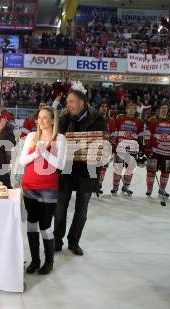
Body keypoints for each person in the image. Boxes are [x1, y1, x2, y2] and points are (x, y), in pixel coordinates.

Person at [54, 83, 107, 256]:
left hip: (88, 170)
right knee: (60, 207)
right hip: (67, 169)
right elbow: (57, 142)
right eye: (67, 101)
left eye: (71, 101)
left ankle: (74, 241)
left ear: (81, 102)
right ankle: (57, 241)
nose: (68, 104)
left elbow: (102, 144)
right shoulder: (64, 118)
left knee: (81, 210)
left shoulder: (97, 119)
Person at [19, 106, 66, 275]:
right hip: (30, 185)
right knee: (32, 223)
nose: (41, 120)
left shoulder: (59, 138)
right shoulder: (32, 136)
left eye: (46, 117)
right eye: (39, 117)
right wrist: (36, 154)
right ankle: (35, 260)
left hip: (48, 188)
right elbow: (22, 160)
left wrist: (44, 152)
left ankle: (49, 261)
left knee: (45, 226)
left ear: (53, 120)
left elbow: (60, 165)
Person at [144, 102, 170, 201]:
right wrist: (147, 148)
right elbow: (147, 135)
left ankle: (162, 189)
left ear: (167, 110)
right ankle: (149, 188)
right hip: (155, 152)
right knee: (151, 172)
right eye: (162, 108)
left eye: (166, 108)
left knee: (166, 172)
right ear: (159, 110)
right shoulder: (153, 121)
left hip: (167, 153)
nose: (164, 110)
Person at [111, 101, 144, 196]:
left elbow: (140, 136)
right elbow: (115, 132)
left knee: (130, 169)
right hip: (120, 148)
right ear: (126, 109)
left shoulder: (139, 121)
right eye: (129, 108)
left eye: (133, 108)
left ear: (135, 110)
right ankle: (115, 187)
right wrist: (113, 144)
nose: (131, 110)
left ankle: (126, 187)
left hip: (132, 149)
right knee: (118, 168)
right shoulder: (120, 118)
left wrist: (141, 147)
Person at [98, 101, 116, 196]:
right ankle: (92, 185)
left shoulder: (112, 121)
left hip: (106, 149)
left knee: (103, 168)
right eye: (102, 106)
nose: (104, 108)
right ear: (99, 108)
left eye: (106, 106)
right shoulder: (93, 119)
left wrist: (111, 144)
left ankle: (99, 185)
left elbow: (113, 134)